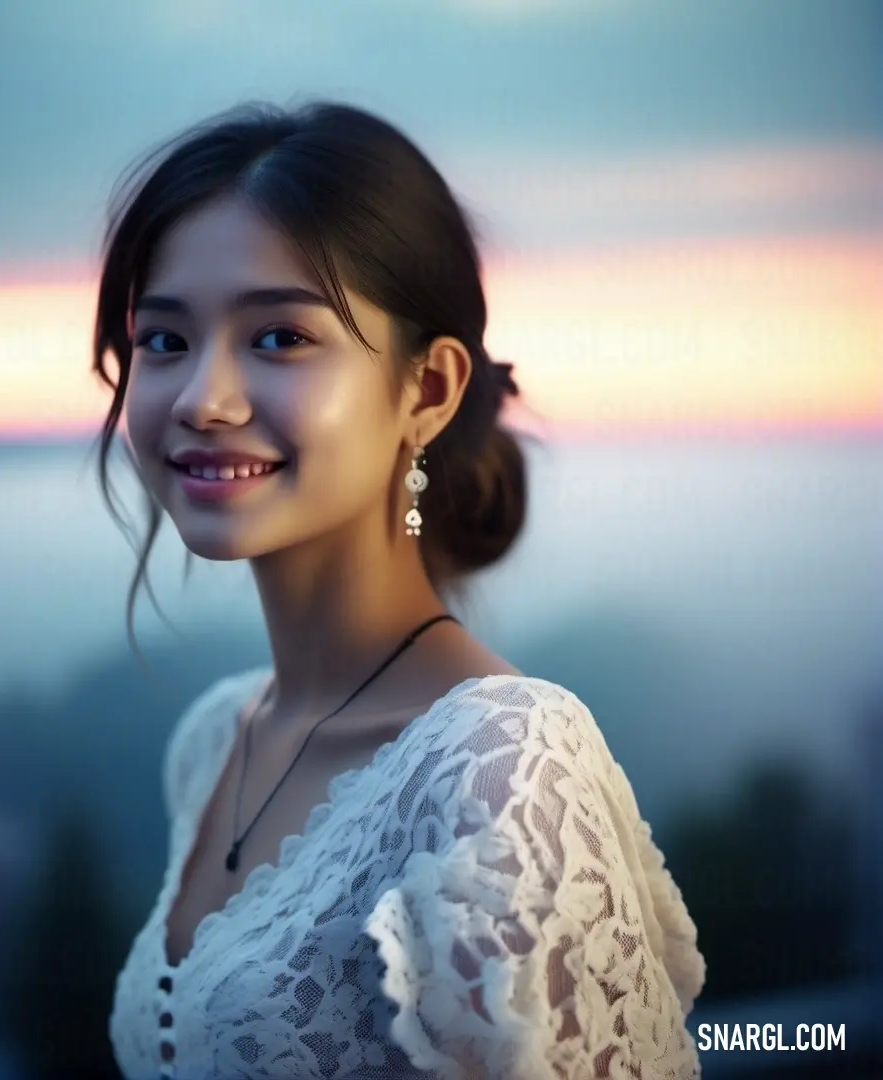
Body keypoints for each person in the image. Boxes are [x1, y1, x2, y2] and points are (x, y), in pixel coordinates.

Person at [99, 100, 704, 1080]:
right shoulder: (215, 741)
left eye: (280, 337)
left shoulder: (500, 765)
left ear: (426, 390)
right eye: (164, 341)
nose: (203, 397)